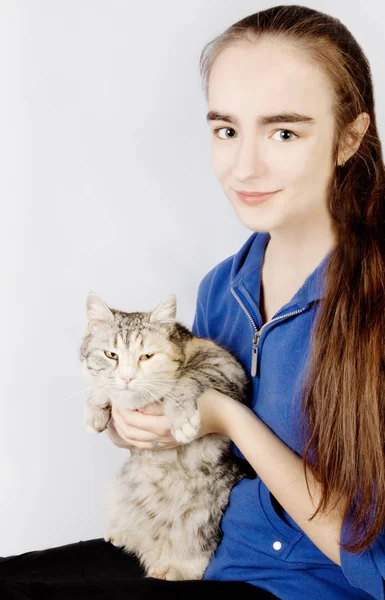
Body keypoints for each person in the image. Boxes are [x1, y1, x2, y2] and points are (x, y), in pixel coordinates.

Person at [1, 4, 385, 599]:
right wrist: (139, 423)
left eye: (284, 132)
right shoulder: (221, 289)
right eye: (227, 130)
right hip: (207, 554)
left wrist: (229, 417)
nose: (244, 166)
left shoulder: (372, 307)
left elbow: (376, 566)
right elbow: (203, 448)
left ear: (350, 138)